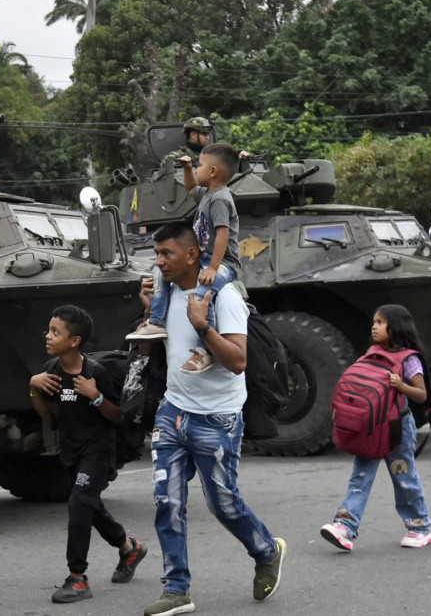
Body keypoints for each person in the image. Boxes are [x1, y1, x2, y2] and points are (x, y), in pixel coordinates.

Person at [138, 220, 285, 616]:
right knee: (166, 502)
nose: (159, 262)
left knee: (223, 503)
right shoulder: (166, 294)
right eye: (156, 254)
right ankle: (176, 590)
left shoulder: (223, 296)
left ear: (191, 254)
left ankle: (267, 550)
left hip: (216, 419)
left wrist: (202, 325)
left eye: (166, 253)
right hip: (173, 413)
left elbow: (238, 360)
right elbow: (160, 342)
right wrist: (149, 311)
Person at [29, 304, 147, 604]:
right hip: (71, 450)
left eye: (56, 332)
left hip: (97, 449)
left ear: (75, 341)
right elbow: (47, 413)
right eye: (49, 329)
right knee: (89, 505)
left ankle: (77, 577)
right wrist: (34, 388)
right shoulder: (51, 369)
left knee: (79, 504)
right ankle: (129, 547)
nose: (48, 336)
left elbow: (118, 416)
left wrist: (95, 397)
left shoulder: (96, 372)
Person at [320, 304, 431, 552]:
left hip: (397, 428)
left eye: (381, 322)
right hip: (370, 426)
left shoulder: (409, 358)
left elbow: (421, 394)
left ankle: (419, 527)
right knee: (359, 477)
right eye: (374, 322)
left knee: (404, 477)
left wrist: (400, 385)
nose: (374, 326)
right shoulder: (371, 353)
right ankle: (344, 527)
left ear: (396, 327)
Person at [130, 143, 243, 377]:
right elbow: (191, 188)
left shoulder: (221, 199)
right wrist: (189, 168)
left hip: (224, 263)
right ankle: (157, 323)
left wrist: (213, 267)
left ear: (213, 172)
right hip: (204, 257)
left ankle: (204, 350)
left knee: (204, 290)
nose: (197, 169)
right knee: (159, 273)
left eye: (200, 165)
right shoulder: (207, 194)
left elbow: (223, 234)